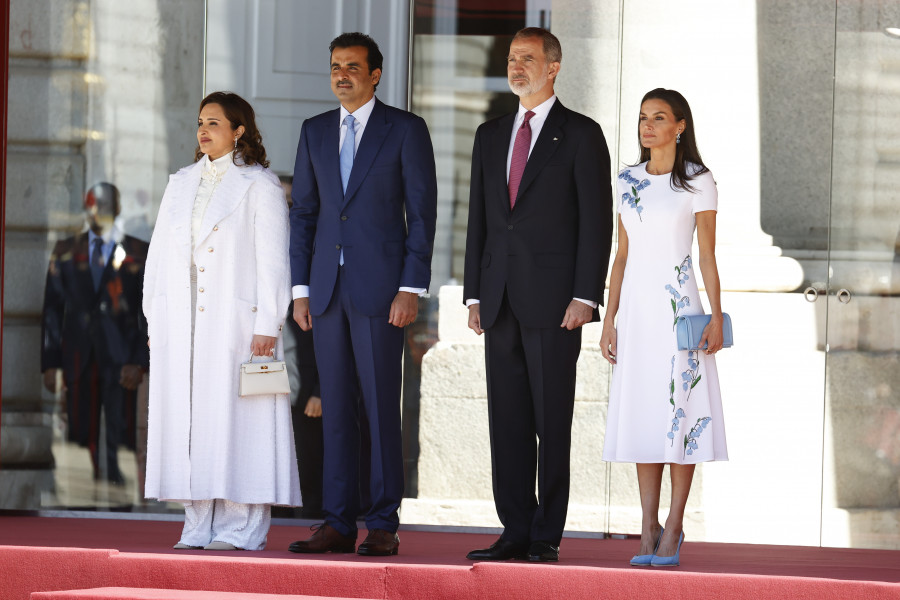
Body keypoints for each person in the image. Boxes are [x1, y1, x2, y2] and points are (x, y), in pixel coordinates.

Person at [463, 27, 613, 563]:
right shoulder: (489, 134)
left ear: (553, 67)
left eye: (527, 58)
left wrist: (585, 296)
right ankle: (514, 529)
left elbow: (596, 224)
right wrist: (473, 295)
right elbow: (479, 218)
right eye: (511, 58)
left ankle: (546, 533)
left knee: (552, 422)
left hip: (555, 305)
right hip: (498, 299)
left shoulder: (581, 134)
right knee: (507, 423)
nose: (516, 66)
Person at [288, 32, 437, 557]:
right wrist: (300, 289)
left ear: (375, 74)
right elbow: (304, 213)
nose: (342, 74)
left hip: (382, 291)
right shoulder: (314, 131)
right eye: (334, 66)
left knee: (379, 407)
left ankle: (381, 522)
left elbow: (421, 215)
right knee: (335, 410)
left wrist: (410, 286)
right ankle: (336, 521)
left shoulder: (406, 130)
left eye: (353, 66)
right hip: (326, 290)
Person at [142, 91, 301, 551]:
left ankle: (240, 526)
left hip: (237, 324)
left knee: (238, 419)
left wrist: (268, 323)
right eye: (199, 122)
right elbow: (157, 257)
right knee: (190, 421)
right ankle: (196, 522)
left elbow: (273, 261)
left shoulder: (259, 185)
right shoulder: (180, 183)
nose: (203, 130)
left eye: (214, 122)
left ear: (239, 131)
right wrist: (156, 318)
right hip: (183, 322)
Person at [600, 88, 728, 567]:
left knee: (682, 413)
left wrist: (716, 315)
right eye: (641, 118)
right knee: (643, 414)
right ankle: (647, 523)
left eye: (658, 118)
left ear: (680, 126)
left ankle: (674, 524)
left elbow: (708, 256)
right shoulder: (627, 179)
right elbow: (622, 255)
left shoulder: (699, 180)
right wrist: (609, 319)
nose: (647, 126)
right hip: (635, 312)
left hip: (679, 309)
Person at [41, 182, 149, 485]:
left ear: (117, 209)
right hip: (78, 357)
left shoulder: (139, 251)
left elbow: (148, 314)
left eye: (103, 205)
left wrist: (140, 361)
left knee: (123, 435)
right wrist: (50, 363)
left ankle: (120, 509)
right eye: (92, 204)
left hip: (122, 360)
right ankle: (80, 506)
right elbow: (52, 309)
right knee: (78, 435)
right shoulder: (64, 250)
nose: (97, 211)